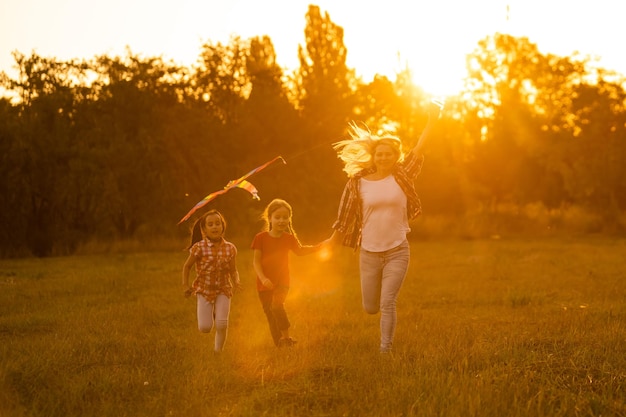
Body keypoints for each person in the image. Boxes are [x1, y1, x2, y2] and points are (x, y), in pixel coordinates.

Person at [326, 103, 441, 353]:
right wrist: (329, 243)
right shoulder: (357, 183)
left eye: (389, 153)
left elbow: (420, 148)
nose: (384, 157)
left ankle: (385, 349)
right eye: (380, 154)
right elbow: (344, 216)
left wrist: (432, 120)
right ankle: (382, 337)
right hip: (369, 253)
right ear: (373, 156)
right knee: (371, 307)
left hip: (397, 250)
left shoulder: (403, 175)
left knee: (388, 302)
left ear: (395, 156)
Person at [251, 198, 322, 347]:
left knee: (277, 306)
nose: (281, 221)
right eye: (277, 217)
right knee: (270, 315)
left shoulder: (288, 239)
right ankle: (280, 345)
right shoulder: (260, 238)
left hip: (282, 281)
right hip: (263, 284)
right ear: (269, 218)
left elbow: (301, 251)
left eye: (285, 217)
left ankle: (287, 338)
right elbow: (256, 262)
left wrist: (319, 247)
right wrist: (263, 279)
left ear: (289, 219)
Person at [182, 209, 242, 353]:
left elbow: (233, 270)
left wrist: (237, 281)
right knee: (205, 328)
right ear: (204, 230)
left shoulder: (230, 248)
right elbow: (187, 266)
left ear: (223, 226)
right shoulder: (199, 248)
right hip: (204, 290)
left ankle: (218, 352)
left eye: (217, 223)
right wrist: (185, 285)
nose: (215, 227)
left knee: (221, 324)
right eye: (210, 224)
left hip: (223, 289)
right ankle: (212, 312)